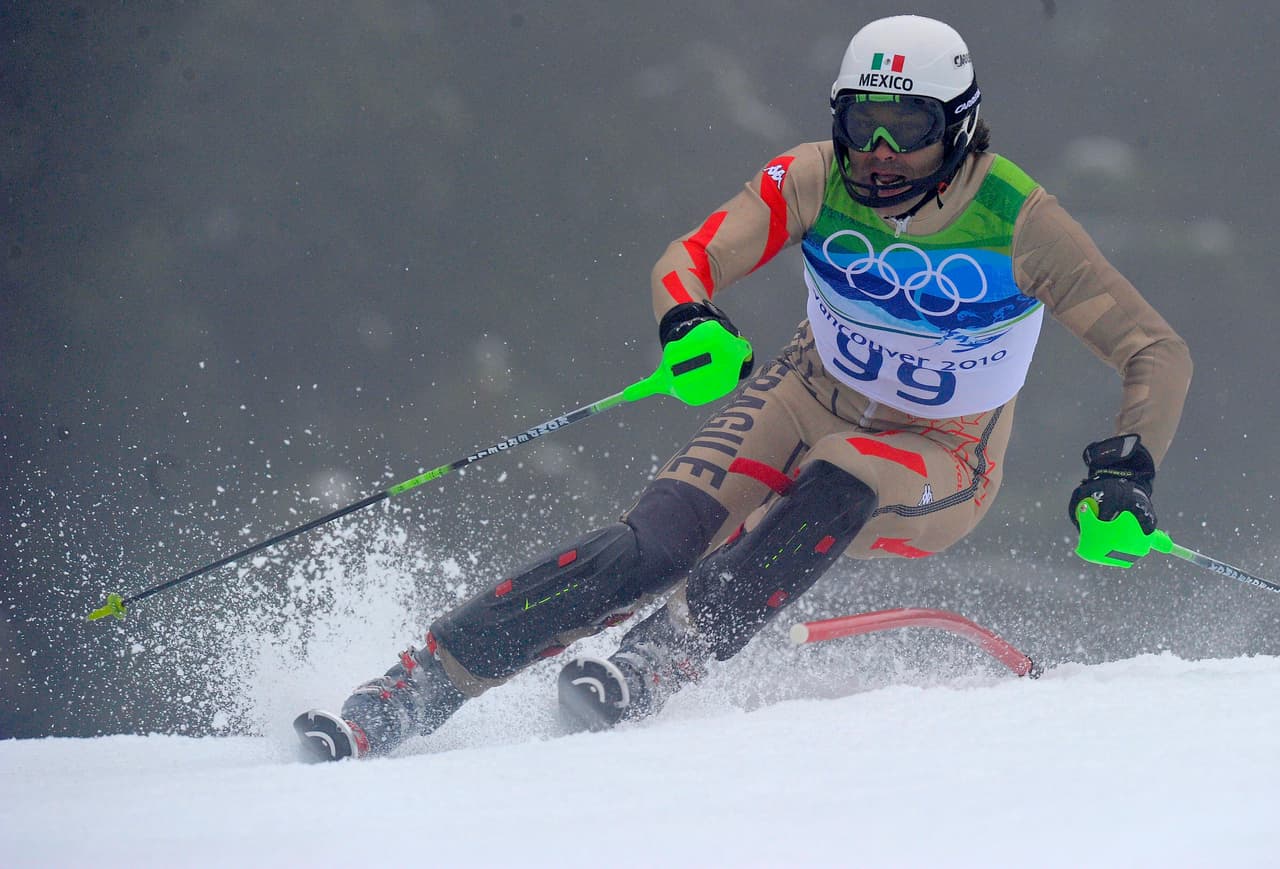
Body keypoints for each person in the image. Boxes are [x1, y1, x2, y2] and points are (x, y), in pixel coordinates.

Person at [294, 14, 1192, 760]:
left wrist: (1127, 472)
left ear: (957, 127)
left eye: (908, 129)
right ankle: (420, 683)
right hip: (802, 391)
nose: (877, 153)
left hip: (940, 448)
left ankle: (664, 657)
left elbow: (1155, 350)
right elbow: (689, 258)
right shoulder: (814, 175)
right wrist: (689, 319)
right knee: (656, 543)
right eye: (859, 121)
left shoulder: (1019, 221)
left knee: (840, 474)